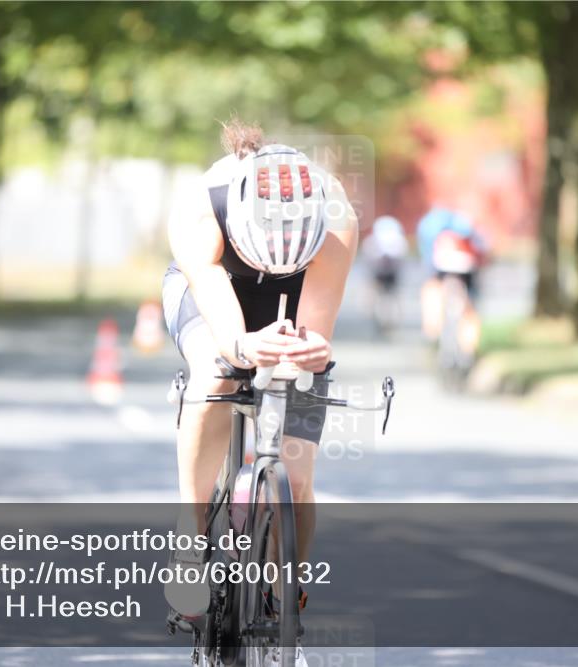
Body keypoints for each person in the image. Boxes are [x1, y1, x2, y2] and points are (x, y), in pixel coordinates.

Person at [161, 120, 358, 619]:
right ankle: (192, 534)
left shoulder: (336, 217)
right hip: (213, 286)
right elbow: (223, 323)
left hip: (291, 299)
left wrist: (310, 351)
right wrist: (244, 346)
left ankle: (284, 593)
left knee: (296, 476)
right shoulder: (201, 206)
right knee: (217, 369)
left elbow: (315, 329)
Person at [416, 205, 487, 342]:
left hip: (440, 266)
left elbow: (427, 253)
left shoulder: (431, 226)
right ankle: (469, 344)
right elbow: (481, 249)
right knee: (470, 306)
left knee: (432, 290)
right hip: (467, 267)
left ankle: (432, 328)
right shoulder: (464, 225)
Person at [359, 215, 408, 334]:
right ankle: (376, 310)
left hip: (385, 271)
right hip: (383, 271)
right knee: (384, 292)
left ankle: (372, 309)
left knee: (378, 291)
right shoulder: (399, 241)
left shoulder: (371, 241)